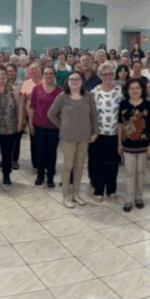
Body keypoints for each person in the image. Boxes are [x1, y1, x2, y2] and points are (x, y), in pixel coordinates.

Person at [48, 71, 97, 208]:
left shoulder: (88, 96)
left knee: (79, 167)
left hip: (84, 137)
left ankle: (76, 194)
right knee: (68, 167)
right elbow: (51, 114)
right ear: (68, 82)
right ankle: (66, 196)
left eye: (77, 79)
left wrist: (95, 132)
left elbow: (94, 115)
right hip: (68, 138)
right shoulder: (62, 97)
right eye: (71, 79)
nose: (74, 81)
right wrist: (62, 126)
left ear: (81, 82)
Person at [118, 79, 150, 212]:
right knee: (129, 173)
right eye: (131, 88)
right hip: (127, 145)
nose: (134, 91)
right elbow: (120, 125)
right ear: (127, 91)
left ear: (142, 89)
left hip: (143, 145)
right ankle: (129, 199)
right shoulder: (123, 104)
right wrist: (119, 143)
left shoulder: (148, 105)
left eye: (137, 88)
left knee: (141, 172)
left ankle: (139, 197)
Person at [90, 62, 123, 203]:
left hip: (115, 134)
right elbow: (90, 114)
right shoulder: (95, 92)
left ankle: (111, 190)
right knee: (98, 163)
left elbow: (123, 113)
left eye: (110, 74)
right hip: (99, 134)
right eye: (105, 74)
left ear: (114, 74)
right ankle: (98, 190)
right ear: (100, 76)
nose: (108, 76)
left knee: (113, 163)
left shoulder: (120, 91)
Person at [29, 66, 62, 187]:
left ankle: (50, 178)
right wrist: (30, 124)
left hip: (54, 127)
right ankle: (40, 175)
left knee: (52, 153)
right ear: (43, 75)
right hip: (39, 126)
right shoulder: (37, 89)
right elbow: (32, 107)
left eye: (51, 73)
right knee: (39, 152)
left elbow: (62, 111)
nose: (48, 75)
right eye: (46, 73)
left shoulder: (59, 91)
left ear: (54, 75)